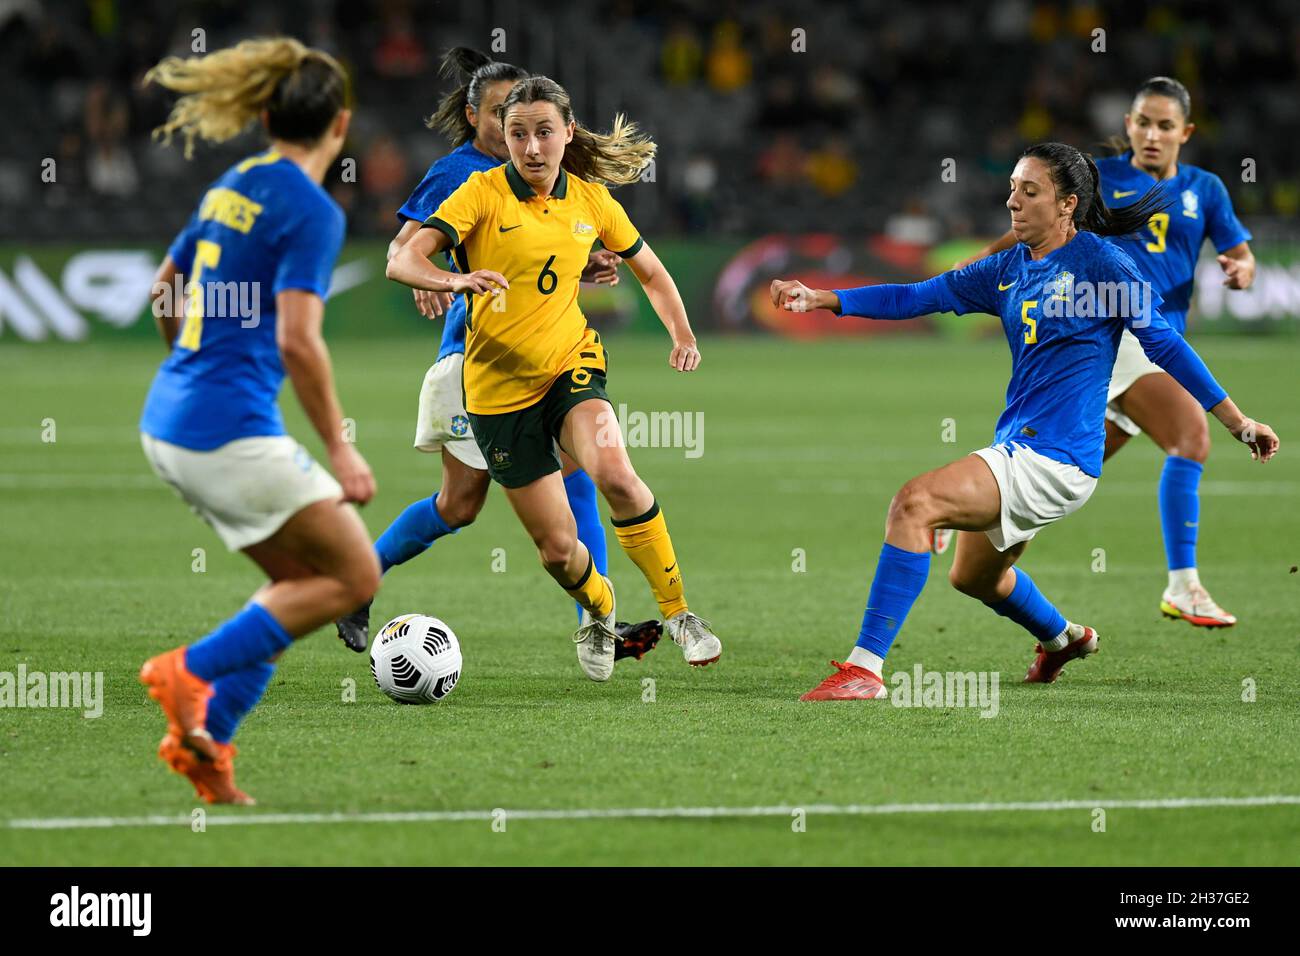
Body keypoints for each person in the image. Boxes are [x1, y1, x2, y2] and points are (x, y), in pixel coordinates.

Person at [771, 142, 1278, 701]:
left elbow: (1165, 345)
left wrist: (1236, 420)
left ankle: (865, 669)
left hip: (1056, 458)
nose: (1012, 199)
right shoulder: (1009, 267)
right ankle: (1065, 639)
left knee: (914, 504)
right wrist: (823, 298)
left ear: (1067, 204)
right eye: (1013, 186)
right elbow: (917, 296)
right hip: (1022, 446)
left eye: (1029, 190)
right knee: (974, 578)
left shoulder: (1101, 264)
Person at [387, 75, 722, 680]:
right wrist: (452, 279)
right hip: (495, 394)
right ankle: (599, 610)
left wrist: (683, 334)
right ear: (503, 137)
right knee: (559, 551)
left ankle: (680, 613)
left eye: (544, 132)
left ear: (568, 133)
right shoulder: (479, 193)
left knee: (616, 473)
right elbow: (402, 258)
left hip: (570, 366)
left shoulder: (591, 201)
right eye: (518, 134)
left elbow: (649, 270)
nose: (532, 147)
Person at [335, 47, 661, 662]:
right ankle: (359, 580)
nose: (514, 126)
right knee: (459, 505)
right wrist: (441, 282)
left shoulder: (542, 180)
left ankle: (598, 622)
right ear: (477, 115)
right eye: (500, 115)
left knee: (581, 475)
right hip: (475, 360)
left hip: (544, 357)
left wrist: (581, 262)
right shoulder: (460, 173)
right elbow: (407, 248)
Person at [137, 38, 378, 802]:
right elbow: (299, 341)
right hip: (222, 430)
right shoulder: (312, 210)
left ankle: (207, 748)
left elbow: (164, 290)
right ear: (340, 124)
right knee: (354, 574)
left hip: (168, 420)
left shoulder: (232, 183)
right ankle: (188, 673)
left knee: (296, 585)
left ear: (267, 113)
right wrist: (343, 451)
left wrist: (191, 368)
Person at [957, 78, 1255, 627]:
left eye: (1165, 126)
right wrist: (975, 266)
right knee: (1190, 437)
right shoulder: (1102, 179)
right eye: (1142, 122)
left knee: (1060, 467)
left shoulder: (1206, 189)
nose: (1151, 134)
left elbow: (1239, 252)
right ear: (1128, 125)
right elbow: (1032, 228)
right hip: (1112, 333)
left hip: (1156, 337)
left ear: (1185, 133)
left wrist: (1241, 268)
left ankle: (963, 514)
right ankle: (1184, 586)